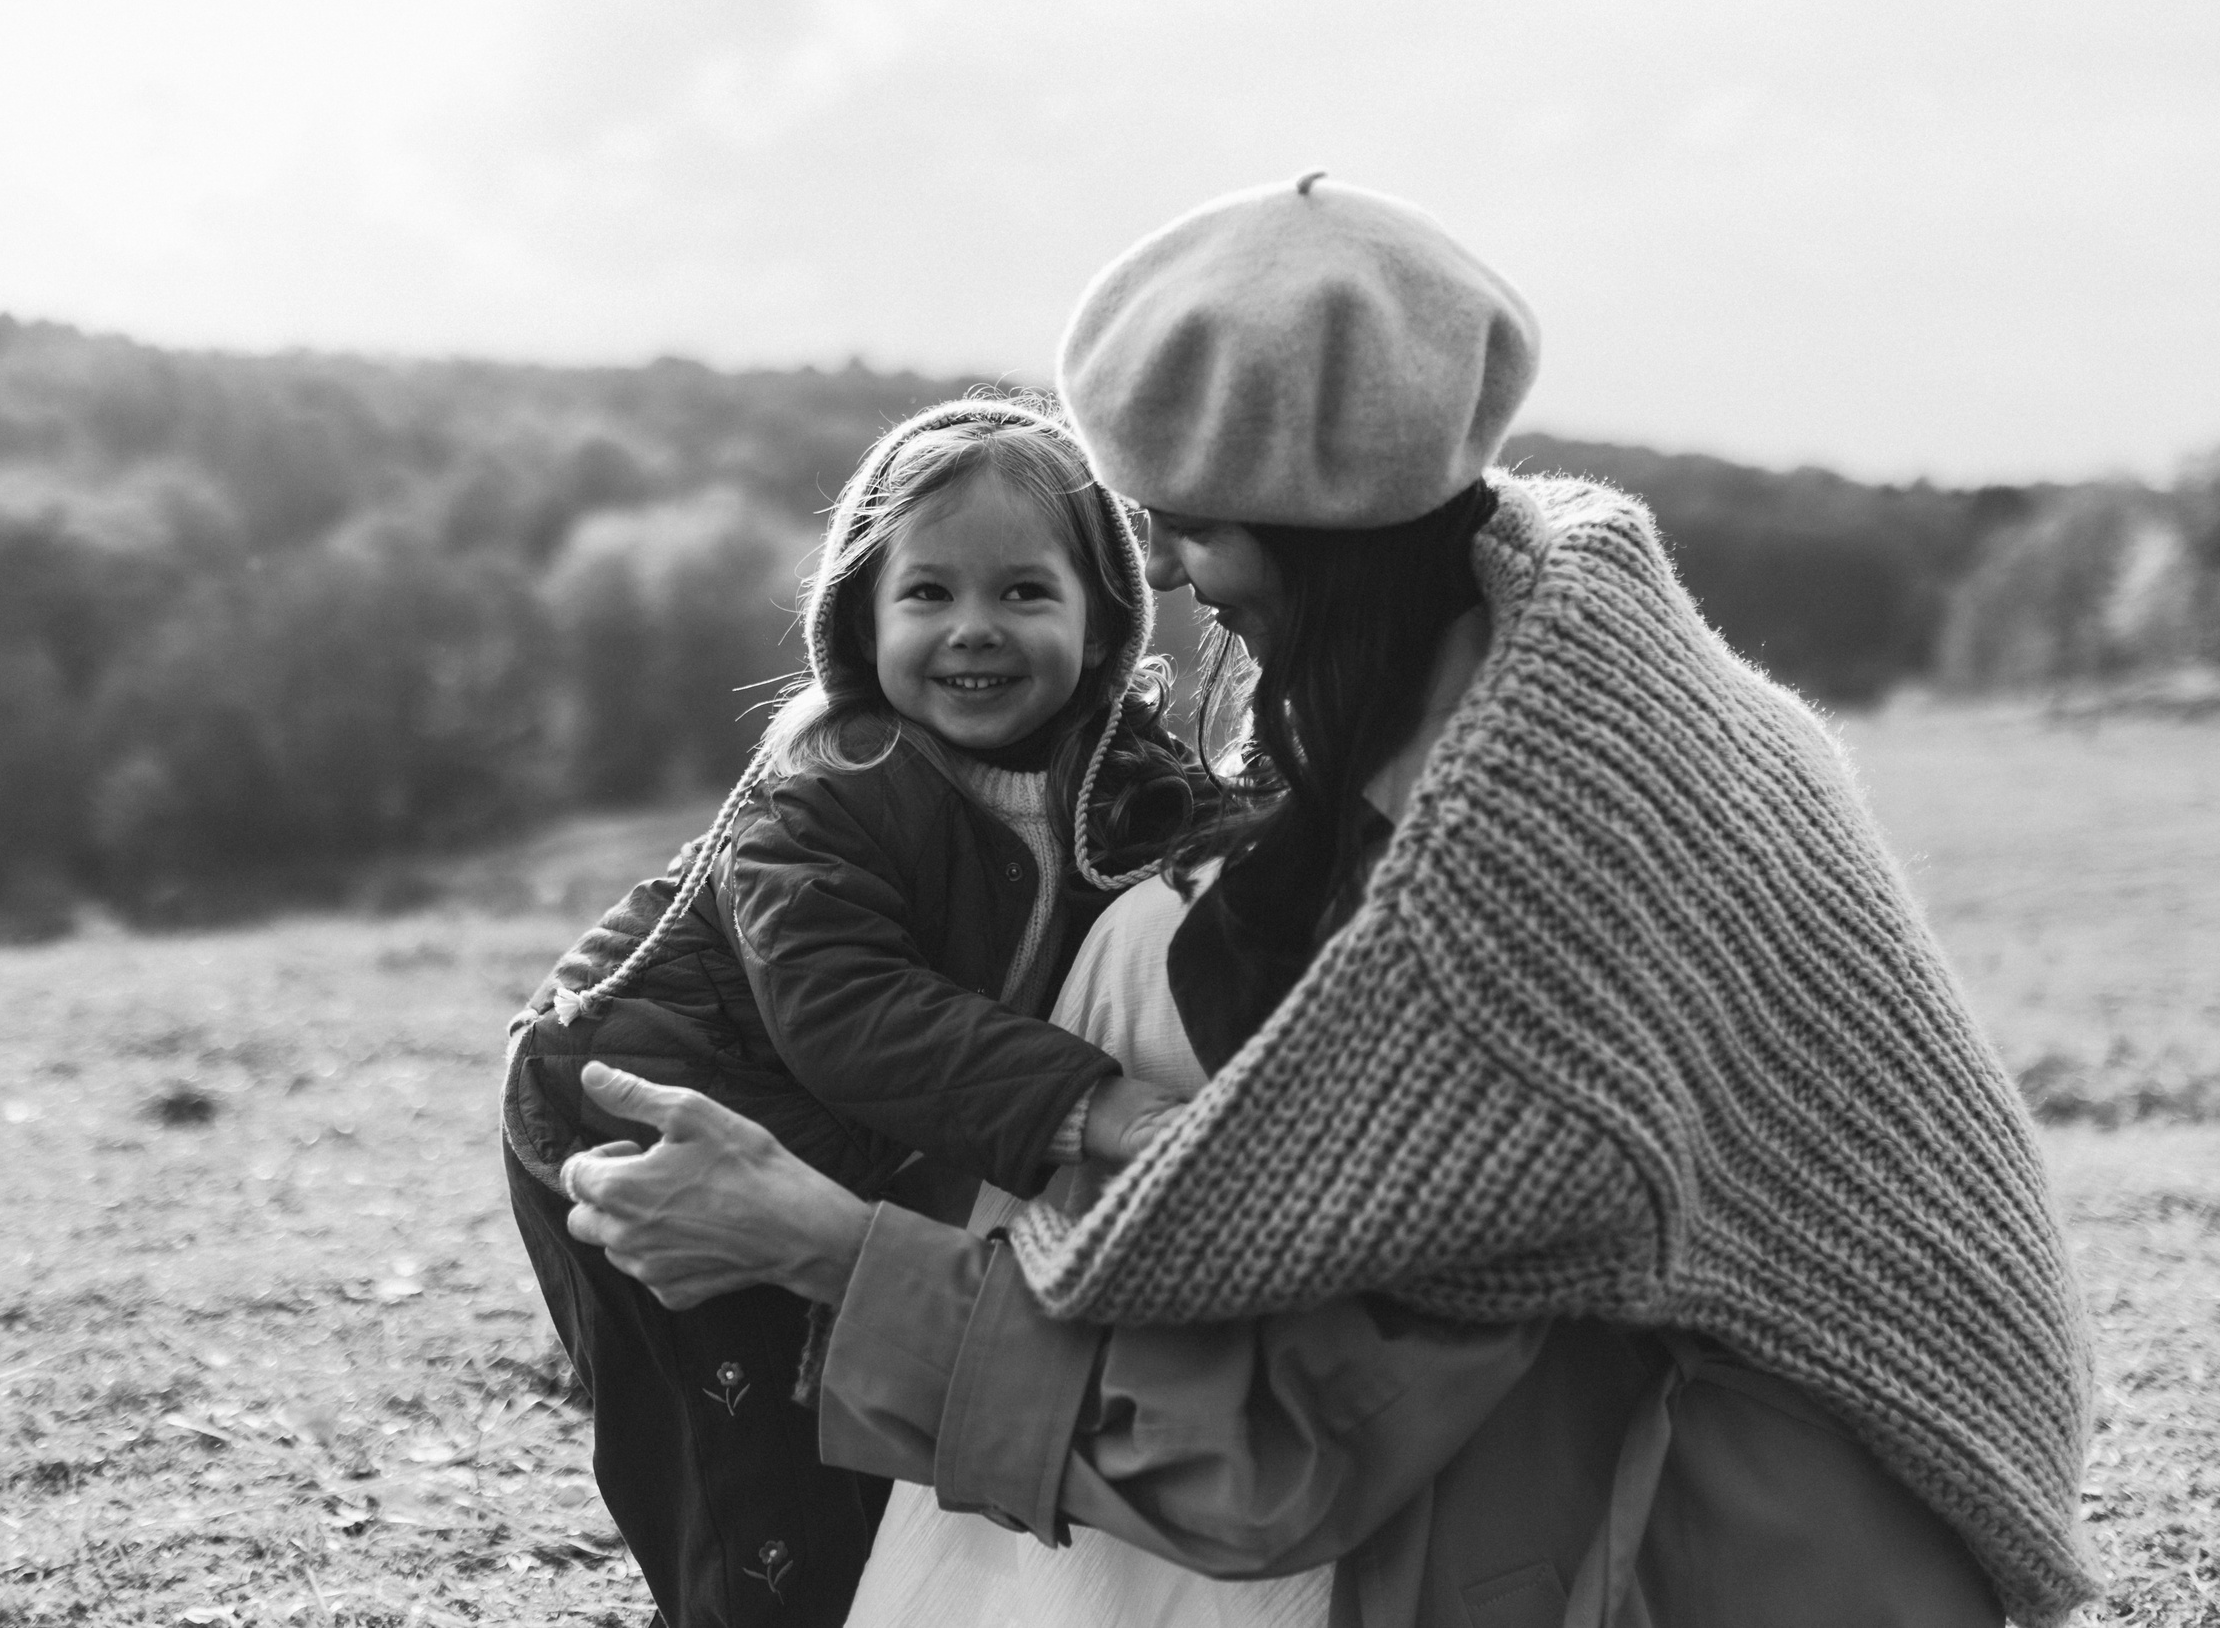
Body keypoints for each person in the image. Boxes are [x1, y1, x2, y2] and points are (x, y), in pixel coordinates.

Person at [562, 178, 2099, 1627]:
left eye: (1193, 523)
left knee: (1145, 955)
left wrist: (822, 1245)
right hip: (1789, 1488)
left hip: (1723, 1545)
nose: (1160, 564)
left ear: (1324, 537)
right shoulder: (1551, 645)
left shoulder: (1506, 893)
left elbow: (1278, 1443)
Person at [501, 398, 1220, 1628]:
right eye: (927, 595)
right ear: (861, 618)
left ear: (1105, 621)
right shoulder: (834, 785)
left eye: (1023, 594)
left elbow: (1220, 861)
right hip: (644, 1117)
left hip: (832, 1147)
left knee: (866, 1437)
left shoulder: (1119, 777)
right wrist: (1093, 1106)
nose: (972, 631)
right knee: (754, 1486)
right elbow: (847, 1012)